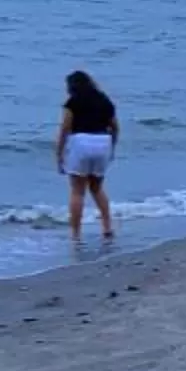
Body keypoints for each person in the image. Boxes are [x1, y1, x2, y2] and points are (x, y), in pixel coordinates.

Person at [56, 69, 118, 245]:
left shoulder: (72, 102)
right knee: (97, 187)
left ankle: (76, 234)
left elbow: (65, 128)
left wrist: (59, 154)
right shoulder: (104, 100)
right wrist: (112, 147)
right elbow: (115, 126)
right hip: (103, 140)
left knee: (77, 191)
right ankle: (107, 227)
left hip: (81, 141)